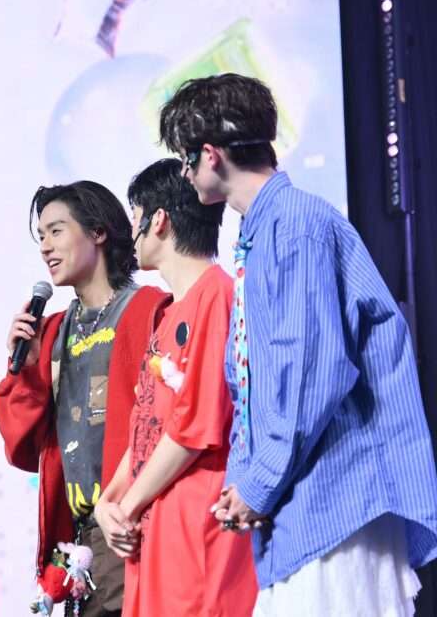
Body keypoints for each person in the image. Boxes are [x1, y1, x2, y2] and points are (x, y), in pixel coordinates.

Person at [162, 72, 437, 615]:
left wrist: (258, 483)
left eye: (186, 159)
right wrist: (248, 481)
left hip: (338, 495)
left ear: (211, 154)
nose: (186, 173)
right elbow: (258, 380)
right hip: (307, 501)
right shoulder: (265, 232)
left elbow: (310, 373)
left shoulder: (294, 226)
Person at [0, 182, 169, 616]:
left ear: (98, 232)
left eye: (56, 231)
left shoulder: (150, 310)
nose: (45, 246)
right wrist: (25, 372)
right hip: (76, 540)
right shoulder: (52, 330)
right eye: (41, 236)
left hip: (131, 525)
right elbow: (21, 448)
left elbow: (168, 420)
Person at [94, 158, 256, 615]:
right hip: (155, 522)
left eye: (135, 219)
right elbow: (148, 422)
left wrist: (129, 503)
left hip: (195, 519)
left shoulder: (217, 294)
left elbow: (195, 424)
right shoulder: (168, 314)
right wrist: (110, 502)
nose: (131, 234)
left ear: (159, 220)